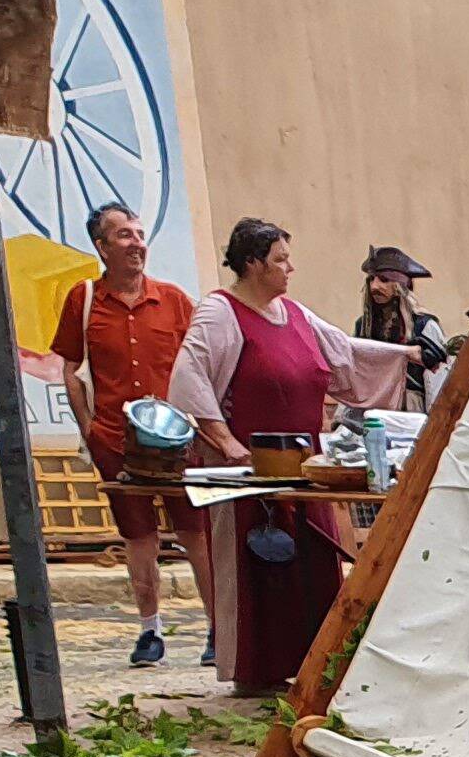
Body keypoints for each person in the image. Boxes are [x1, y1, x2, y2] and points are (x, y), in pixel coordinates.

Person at [164, 219, 412, 696]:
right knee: (260, 566)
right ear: (253, 264)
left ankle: (314, 667)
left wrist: (409, 355)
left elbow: (346, 352)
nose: (289, 268)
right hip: (251, 470)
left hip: (305, 467)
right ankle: (257, 673)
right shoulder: (221, 313)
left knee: (311, 564)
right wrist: (230, 446)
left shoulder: (295, 313)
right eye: (280, 260)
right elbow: (190, 381)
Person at [49, 202, 203, 669]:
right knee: (139, 537)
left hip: (177, 444)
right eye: (123, 236)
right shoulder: (85, 300)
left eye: (139, 234)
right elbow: (71, 369)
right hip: (116, 439)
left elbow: (200, 365)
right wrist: (89, 427)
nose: (136, 243)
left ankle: (218, 628)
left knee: (195, 532)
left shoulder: (175, 300)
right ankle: (149, 630)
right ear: (101, 247)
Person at [352, 247, 461, 409]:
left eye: (383, 280)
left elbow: (440, 377)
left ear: (399, 286)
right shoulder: (363, 326)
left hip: (411, 406)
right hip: (372, 403)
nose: (374, 286)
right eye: (371, 280)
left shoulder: (424, 325)